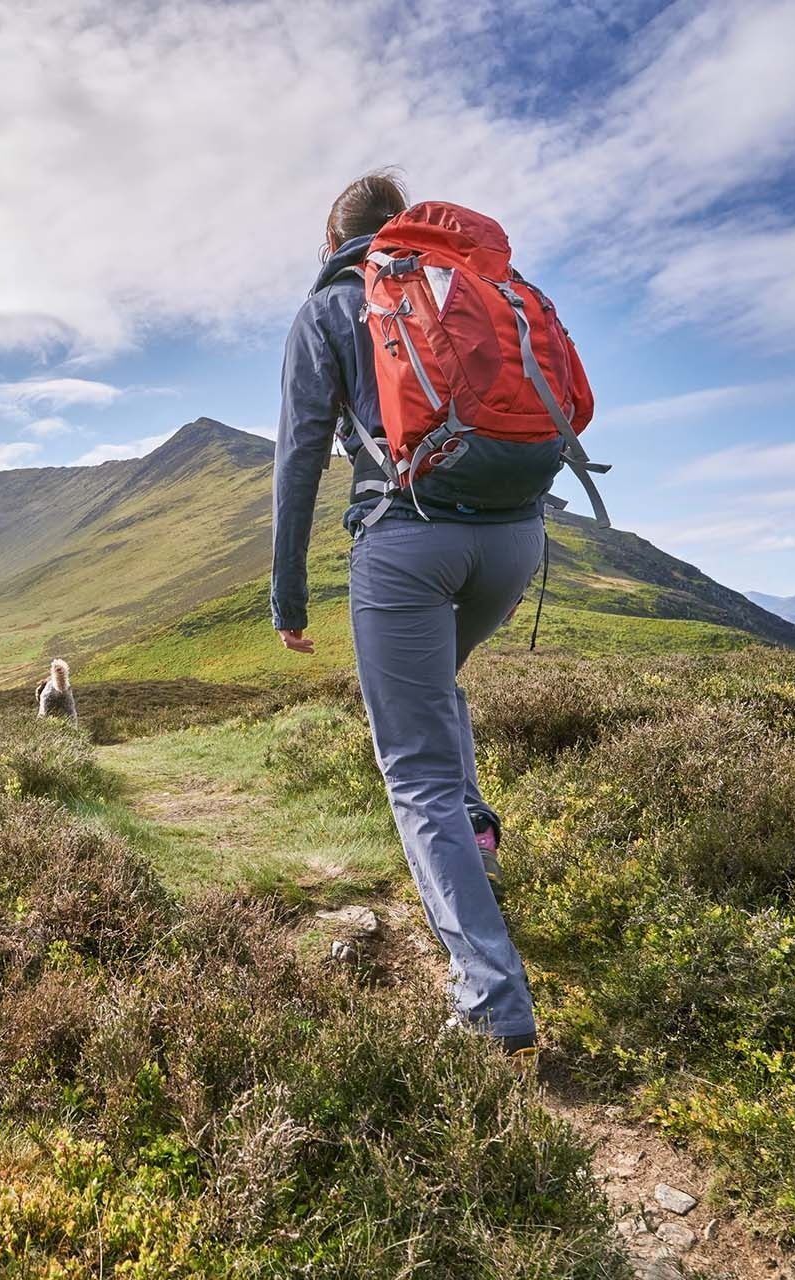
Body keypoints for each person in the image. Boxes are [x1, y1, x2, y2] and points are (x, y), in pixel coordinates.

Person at [269, 170, 544, 1069]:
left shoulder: (330, 309)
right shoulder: (464, 288)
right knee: (437, 696)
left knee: (413, 770)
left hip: (408, 543)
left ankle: (490, 1002)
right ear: (406, 230)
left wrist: (288, 597)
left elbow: (301, 458)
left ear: (332, 241)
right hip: (515, 540)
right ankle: (476, 827)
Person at [35, 658, 78, 726]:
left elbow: (38, 692)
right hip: (65, 694)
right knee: (71, 719)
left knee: (43, 718)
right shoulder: (66, 688)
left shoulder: (45, 687)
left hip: (48, 696)